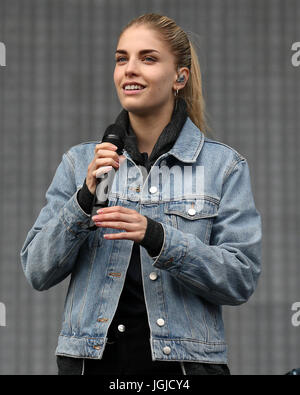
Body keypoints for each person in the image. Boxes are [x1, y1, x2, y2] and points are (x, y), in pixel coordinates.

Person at [20, 13, 262, 375]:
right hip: (90, 364)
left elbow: (240, 279)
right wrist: (85, 200)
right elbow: (38, 270)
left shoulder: (222, 166)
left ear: (179, 76)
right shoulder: (80, 162)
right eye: (122, 58)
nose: (130, 69)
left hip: (182, 369)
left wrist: (159, 237)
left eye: (148, 58)